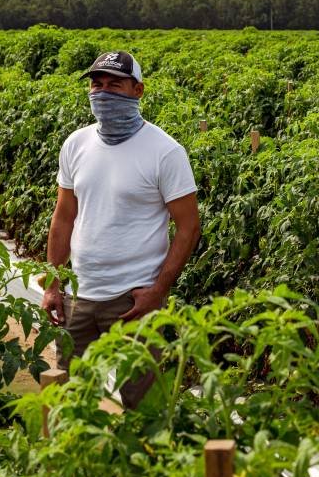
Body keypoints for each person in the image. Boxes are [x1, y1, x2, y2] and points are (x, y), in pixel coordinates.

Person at [41, 50, 200, 408]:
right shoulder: (76, 144)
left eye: (115, 84)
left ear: (138, 91)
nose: (103, 92)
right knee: (70, 402)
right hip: (78, 298)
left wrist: (158, 290)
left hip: (134, 303)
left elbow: (189, 226)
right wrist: (53, 283)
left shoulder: (165, 151)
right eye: (97, 84)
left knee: (143, 409)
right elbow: (63, 216)